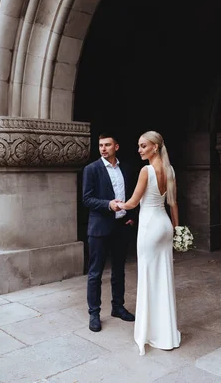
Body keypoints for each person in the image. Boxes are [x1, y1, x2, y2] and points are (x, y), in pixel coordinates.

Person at [117, 131, 181, 355]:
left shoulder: (147, 170)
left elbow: (134, 202)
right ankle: (167, 332)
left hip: (149, 227)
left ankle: (149, 332)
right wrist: (177, 228)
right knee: (163, 277)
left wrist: (116, 205)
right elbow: (173, 203)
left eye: (143, 146)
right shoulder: (170, 169)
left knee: (148, 278)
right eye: (138, 146)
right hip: (164, 226)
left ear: (155, 147)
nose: (139, 150)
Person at [82, 133, 137, 332]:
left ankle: (118, 307)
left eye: (107, 145)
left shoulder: (126, 169)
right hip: (99, 228)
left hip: (121, 227)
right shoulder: (91, 169)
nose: (103, 148)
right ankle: (94, 313)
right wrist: (108, 204)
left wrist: (130, 215)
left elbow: (131, 195)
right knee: (95, 273)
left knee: (119, 270)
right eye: (100, 145)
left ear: (117, 147)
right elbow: (86, 199)